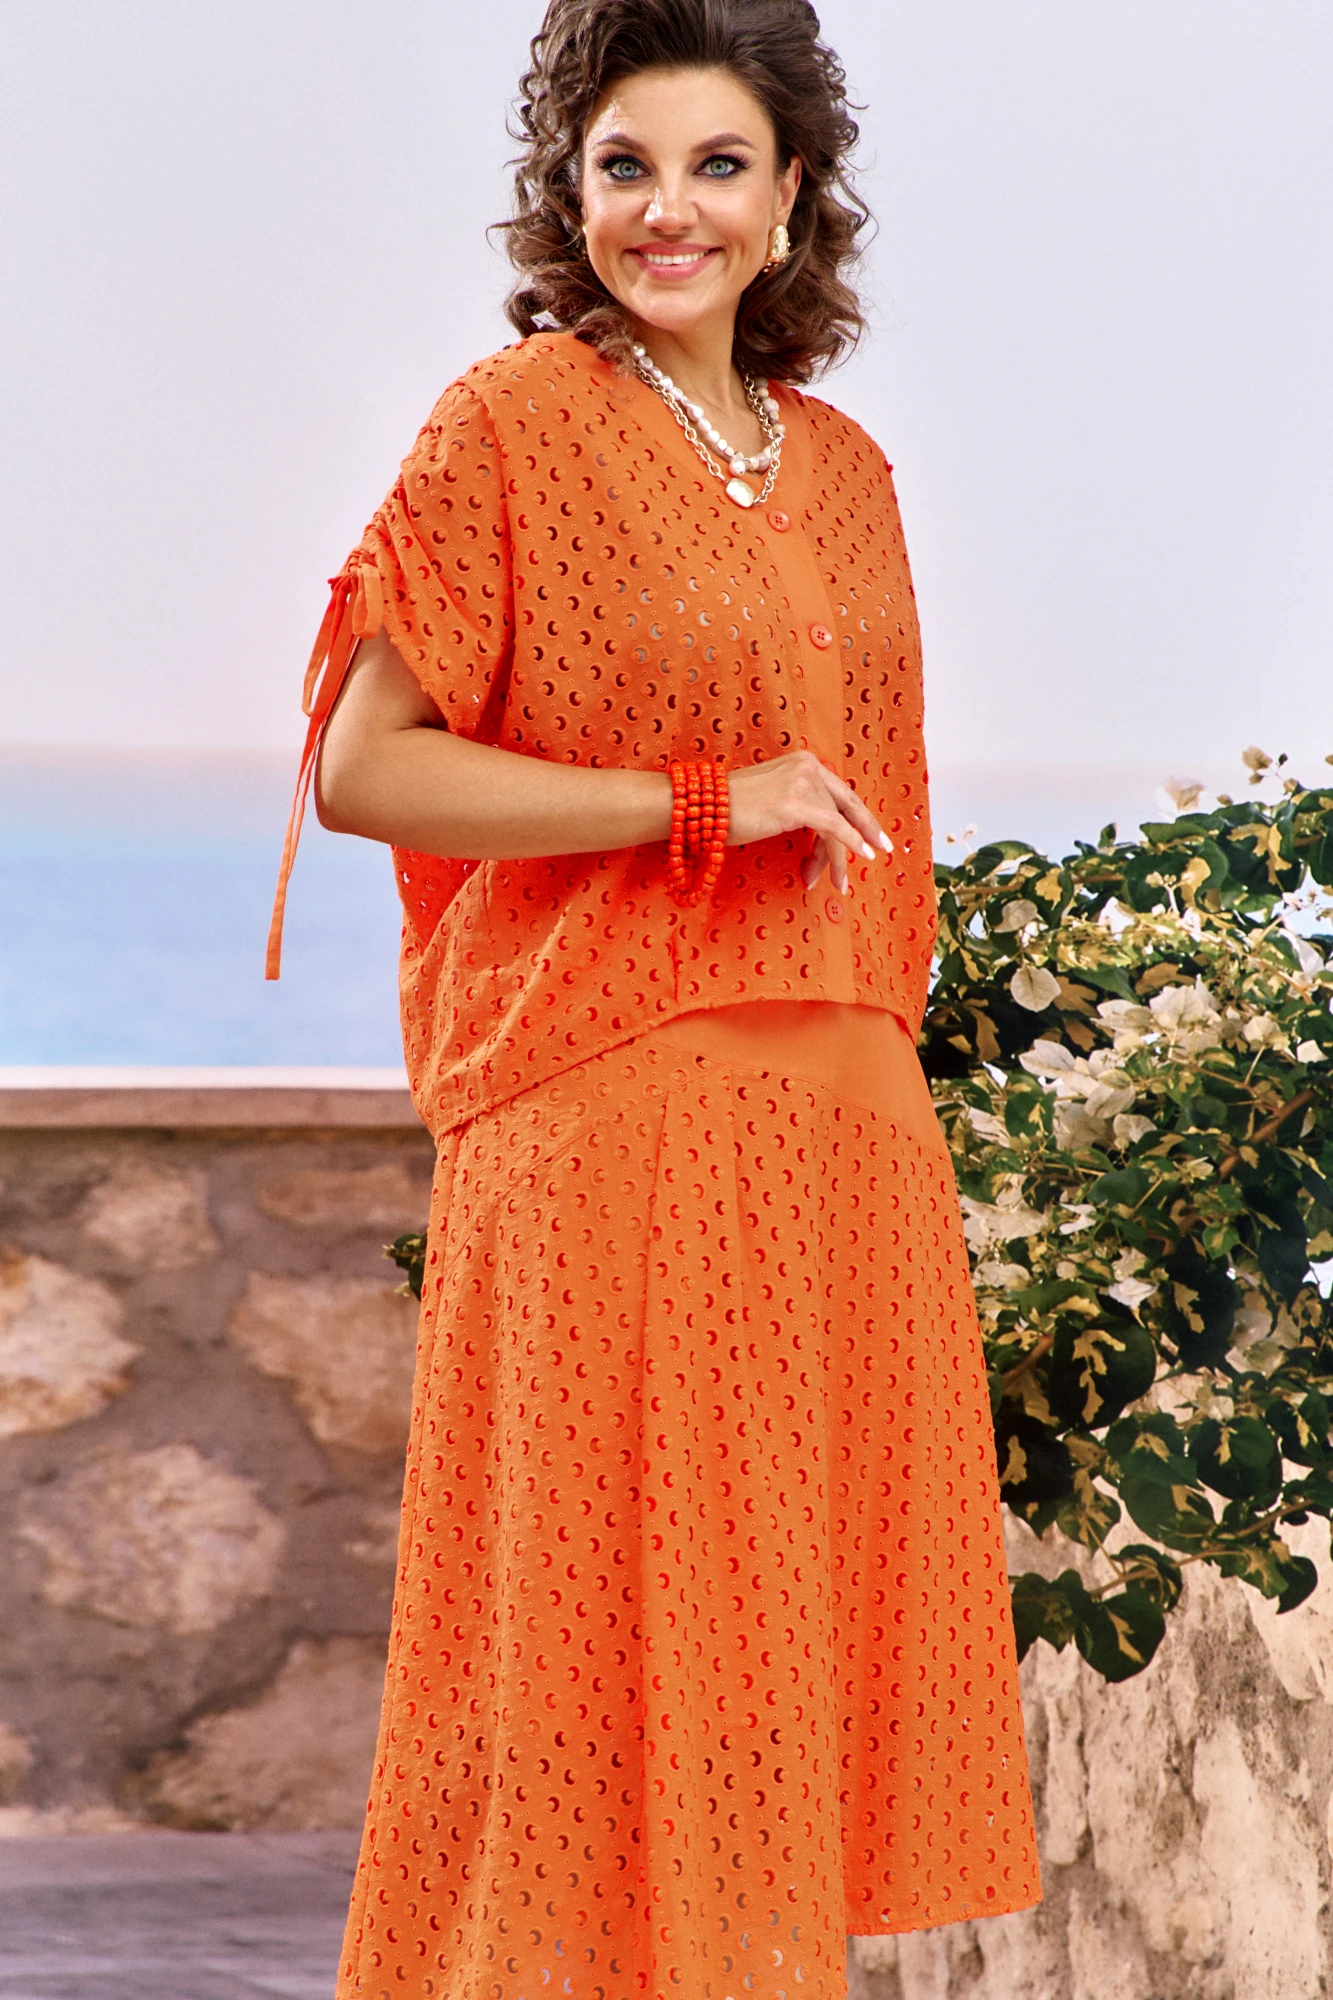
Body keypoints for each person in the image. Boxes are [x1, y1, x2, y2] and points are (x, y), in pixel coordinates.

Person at [268, 1, 1041, 1992]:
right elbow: (365, 768)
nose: (666, 211)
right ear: (571, 189)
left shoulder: (846, 472)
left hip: (833, 1143)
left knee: (768, 1705)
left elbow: (882, 833)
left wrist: (887, 1102)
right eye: (624, 166)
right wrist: (693, 802)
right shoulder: (512, 425)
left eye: (716, 167)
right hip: (606, 1124)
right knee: (574, 1689)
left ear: (792, 200)